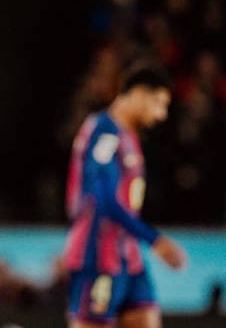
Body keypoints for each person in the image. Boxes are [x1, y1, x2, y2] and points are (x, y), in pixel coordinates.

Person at [63, 64, 187, 328]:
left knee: (146, 319)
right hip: (98, 254)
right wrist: (155, 240)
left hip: (129, 257)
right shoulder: (103, 132)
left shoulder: (127, 136)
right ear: (139, 94)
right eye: (159, 103)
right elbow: (102, 198)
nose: (162, 114)